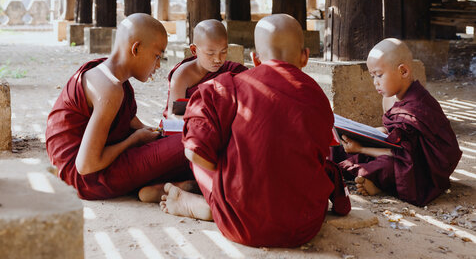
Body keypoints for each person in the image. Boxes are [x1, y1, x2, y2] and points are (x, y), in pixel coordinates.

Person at [159, 14, 351, 248]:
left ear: (255, 59)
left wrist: (226, 173)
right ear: (305, 57)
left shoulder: (226, 86)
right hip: (304, 225)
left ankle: (210, 204)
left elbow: (195, 153)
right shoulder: (319, 99)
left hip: (238, 222)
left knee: (201, 147)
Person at [45, 13, 190, 200]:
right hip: (85, 178)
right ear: (136, 49)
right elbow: (86, 165)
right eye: (157, 56)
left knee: (180, 143)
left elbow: (131, 123)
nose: (158, 66)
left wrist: (154, 133)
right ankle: (172, 186)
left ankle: (163, 188)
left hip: (96, 165)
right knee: (192, 141)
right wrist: (133, 141)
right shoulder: (109, 88)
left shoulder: (111, 76)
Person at [337, 38, 462, 206]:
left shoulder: (418, 106)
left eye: (379, 75)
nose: (375, 83)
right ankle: (376, 180)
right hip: (402, 152)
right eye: (372, 76)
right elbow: (393, 134)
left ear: (403, 71)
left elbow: (403, 155)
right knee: (339, 148)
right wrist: (367, 134)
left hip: (423, 167)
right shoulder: (388, 98)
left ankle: (379, 184)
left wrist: (361, 148)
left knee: (387, 165)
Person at [163, 19, 247, 118]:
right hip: (192, 127)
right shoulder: (182, 75)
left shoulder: (233, 71)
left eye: (223, 52)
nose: (218, 59)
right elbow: (174, 116)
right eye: (210, 53)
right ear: (194, 50)